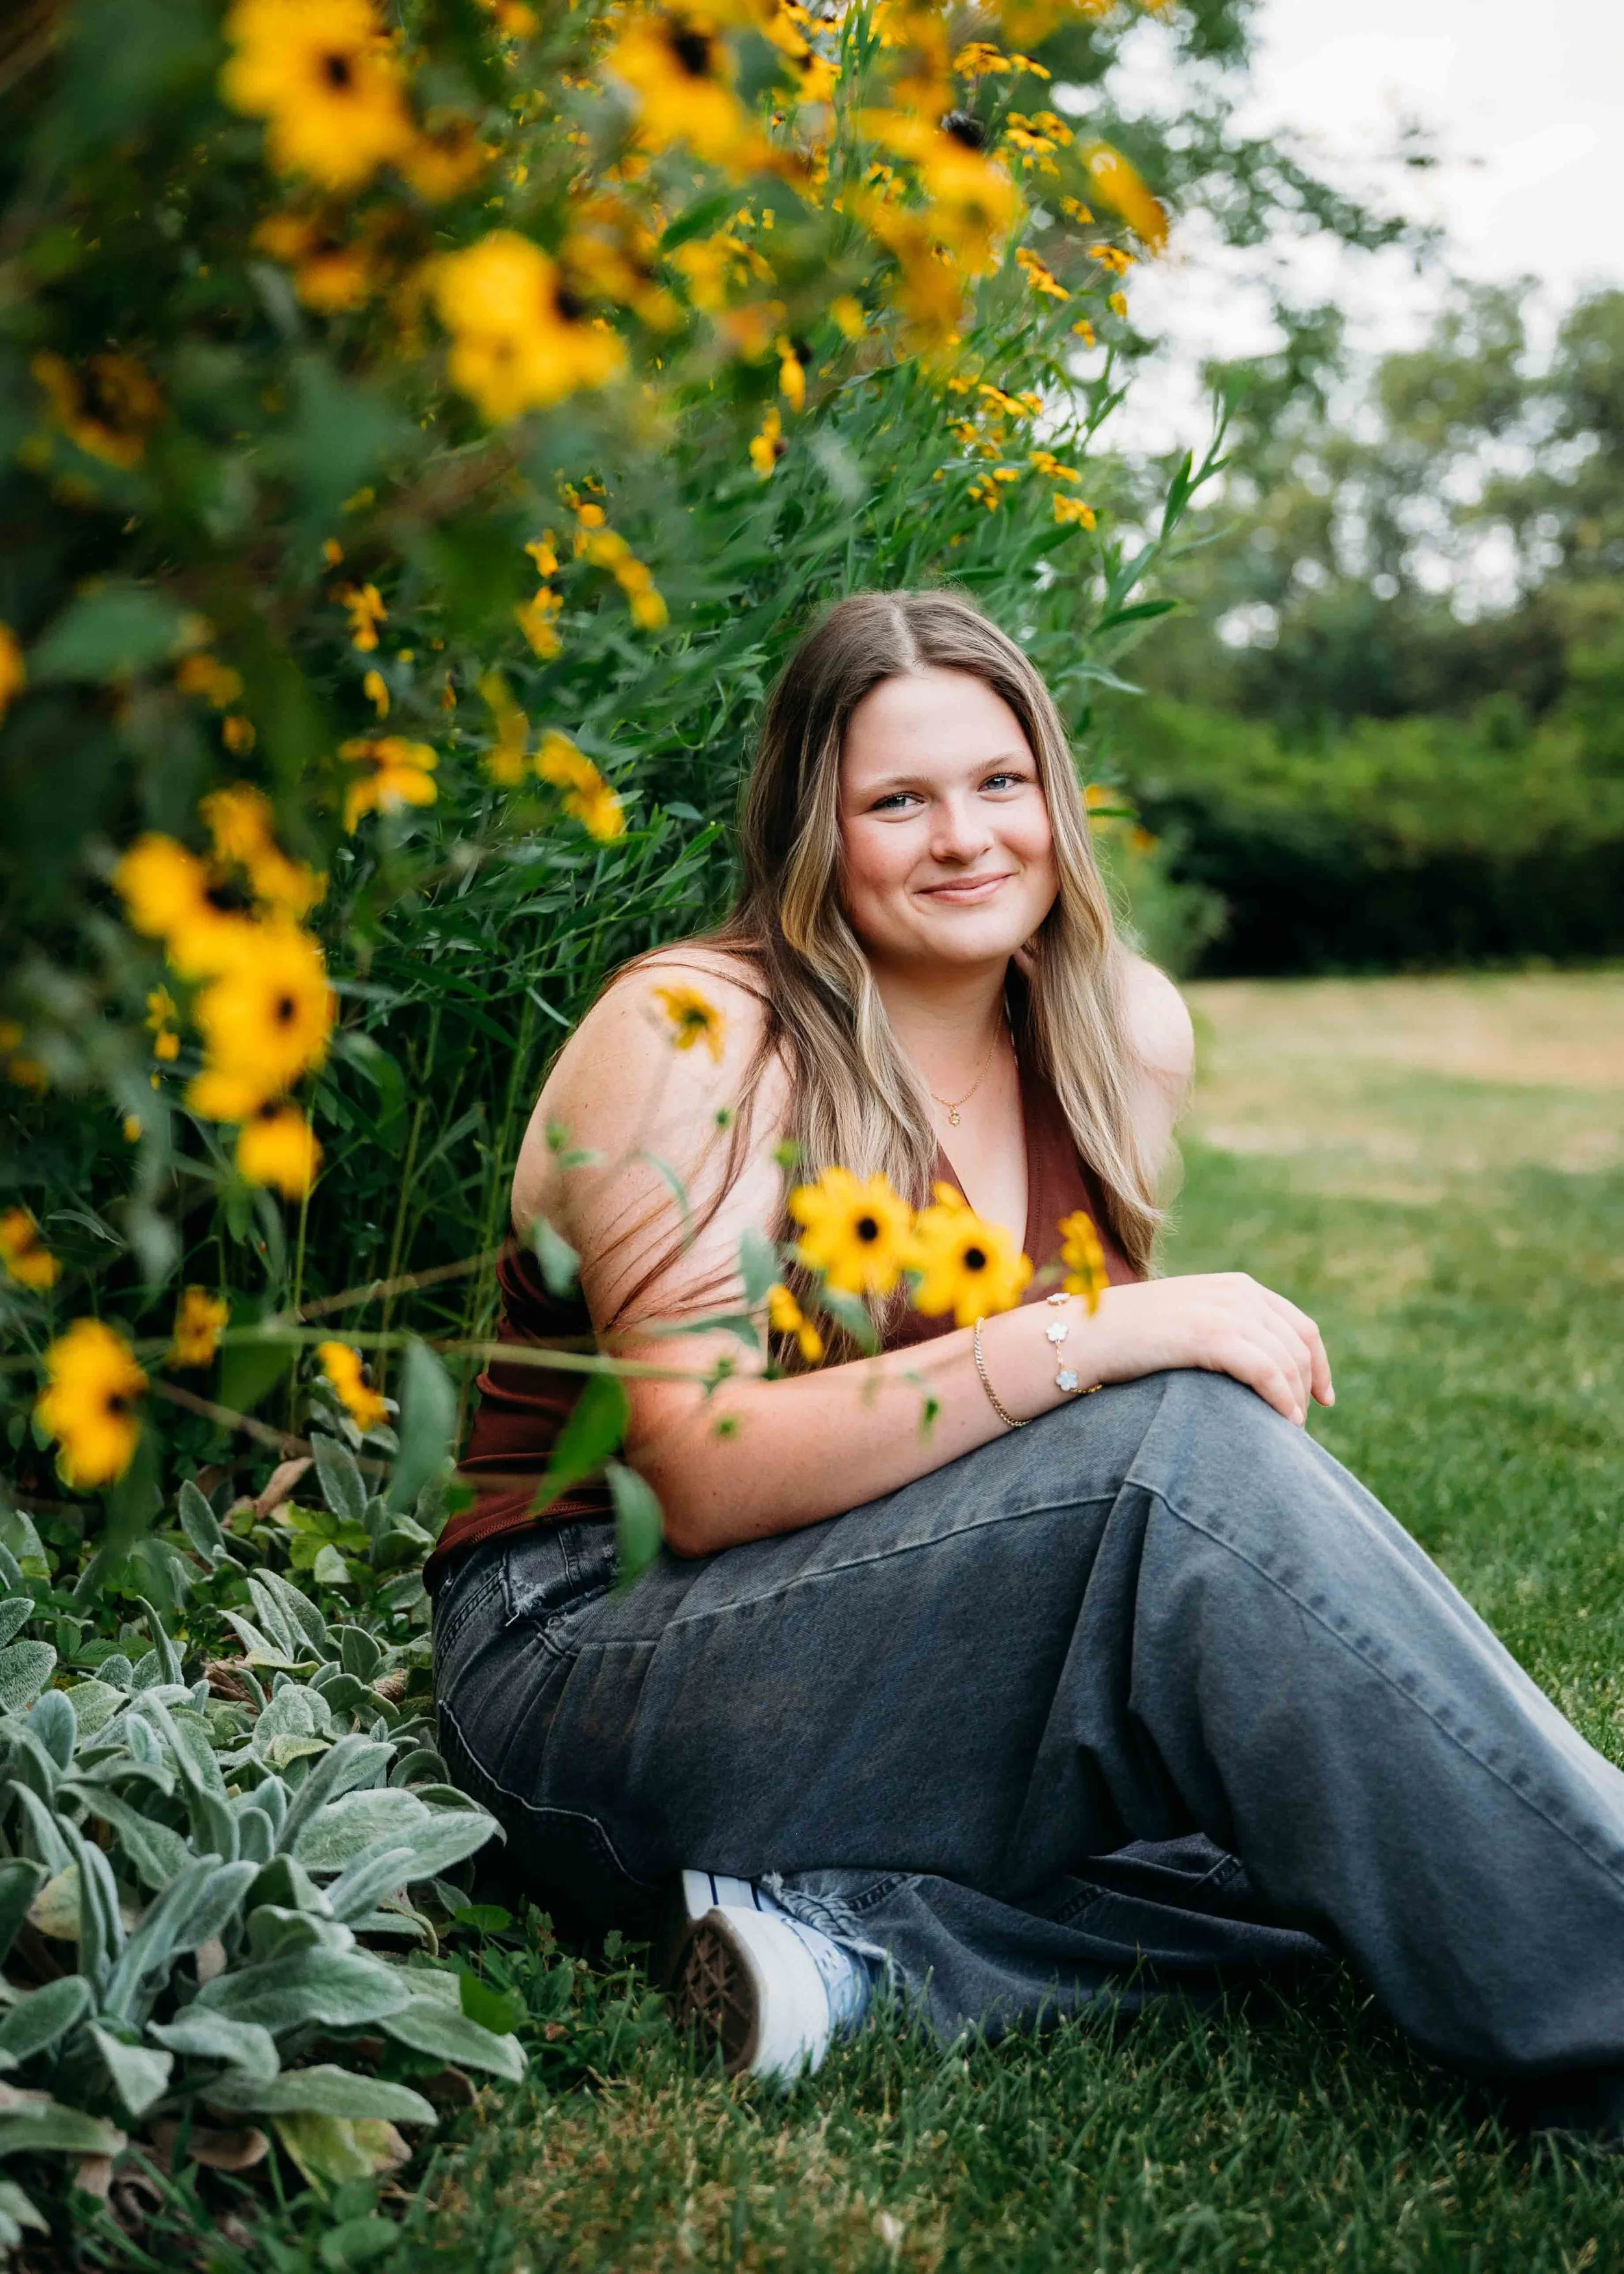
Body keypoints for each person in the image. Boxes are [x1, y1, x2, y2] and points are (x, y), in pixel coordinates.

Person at [431, 589, 1624, 2114]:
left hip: (875, 1627)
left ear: (1053, 797)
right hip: (587, 1663)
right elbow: (701, 1476)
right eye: (897, 801)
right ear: (813, 829)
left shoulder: (1117, 1035)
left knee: (1347, 1772)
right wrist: (1087, 1337)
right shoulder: (697, 1036)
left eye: (999, 783)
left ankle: (856, 1947)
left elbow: (1050, 1492)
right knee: (1190, 1477)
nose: (964, 837)